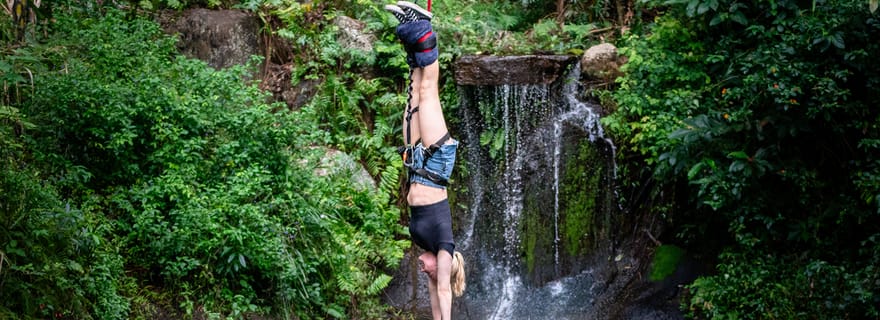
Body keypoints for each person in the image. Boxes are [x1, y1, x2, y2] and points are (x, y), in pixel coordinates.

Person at [384, 1, 465, 319]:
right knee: (429, 90)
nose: (421, 267)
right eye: (428, 271)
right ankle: (423, 27)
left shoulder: (424, 246)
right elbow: (443, 293)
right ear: (442, 268)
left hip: (416, 163)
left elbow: (432, 299)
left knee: (415, 90)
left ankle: (411, 31)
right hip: (435, 163)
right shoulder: (445, 249)